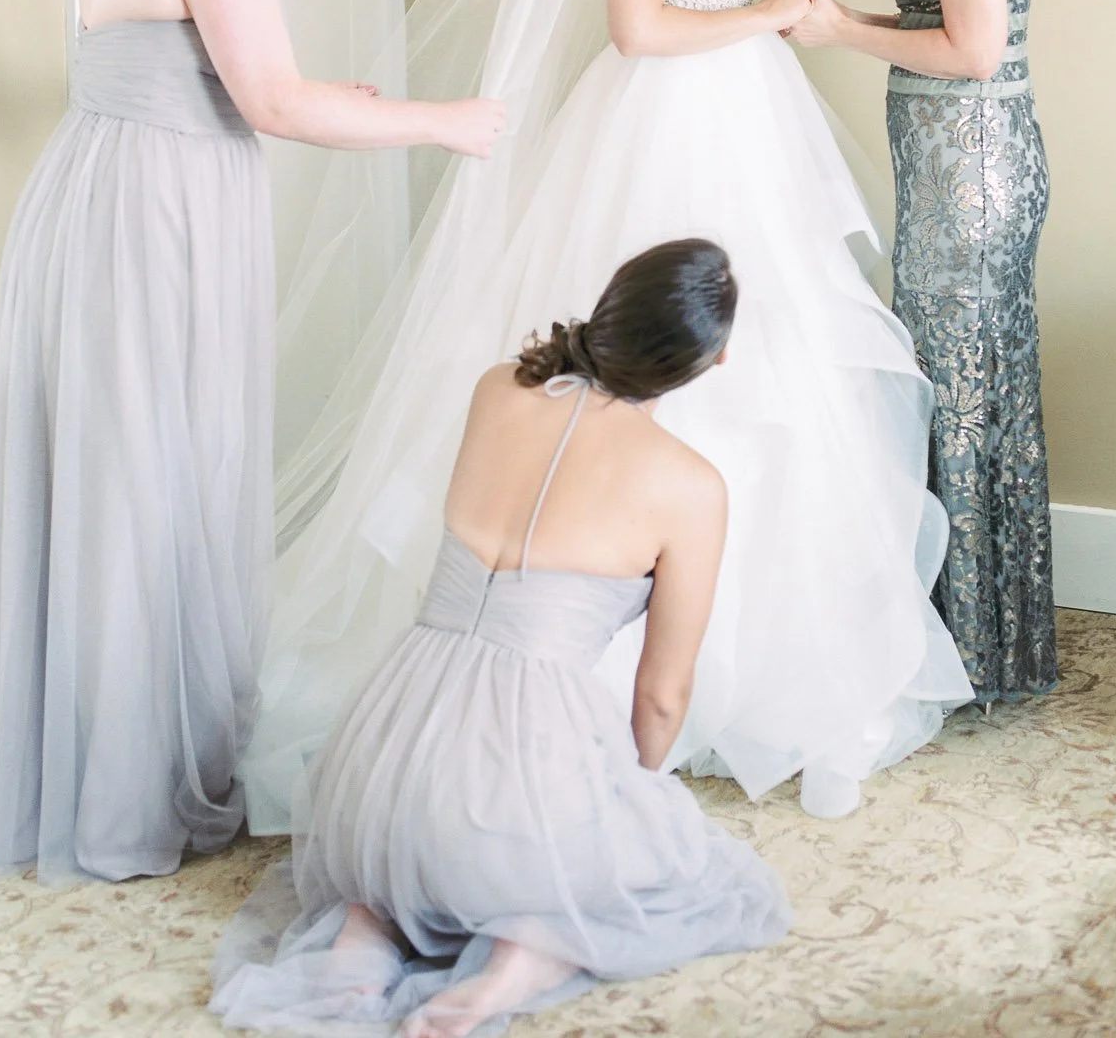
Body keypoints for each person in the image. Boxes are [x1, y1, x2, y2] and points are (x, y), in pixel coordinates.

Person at [242, 0, 972, 833]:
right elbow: (639, 26)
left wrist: (760, 25)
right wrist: (768, 16)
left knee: (771, 374)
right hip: (665, 118)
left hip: (735, 113)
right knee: (673, 370)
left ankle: (741, 657)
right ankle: (627, 675)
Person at [0, 0, 504, 883]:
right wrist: (443, 122)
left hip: (108, 188)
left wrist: (335, 99)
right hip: (153, 211)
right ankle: (123, 800)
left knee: (125, 477)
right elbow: (270, 104)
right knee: (148, 483)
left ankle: (110, 764)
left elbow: (208, 72)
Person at [211, 239, 791, 1037]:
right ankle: (513, 963)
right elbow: (662, 696)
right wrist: (629, 794)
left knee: (393, 873)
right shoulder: (692, 487)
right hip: (508, 774)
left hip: (379, 758)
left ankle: (363, 937)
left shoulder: (497, 387)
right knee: (638, 866)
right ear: (711, 360)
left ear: (613, 306)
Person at [790, 0, 1055, 703]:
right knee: (986, 393)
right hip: (993, 161)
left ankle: (958, 657)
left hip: (965, 176)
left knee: (954, 397)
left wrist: (838, 30)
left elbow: (970, 50)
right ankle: (994, 648)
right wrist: (854, 19)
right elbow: (958, 25)